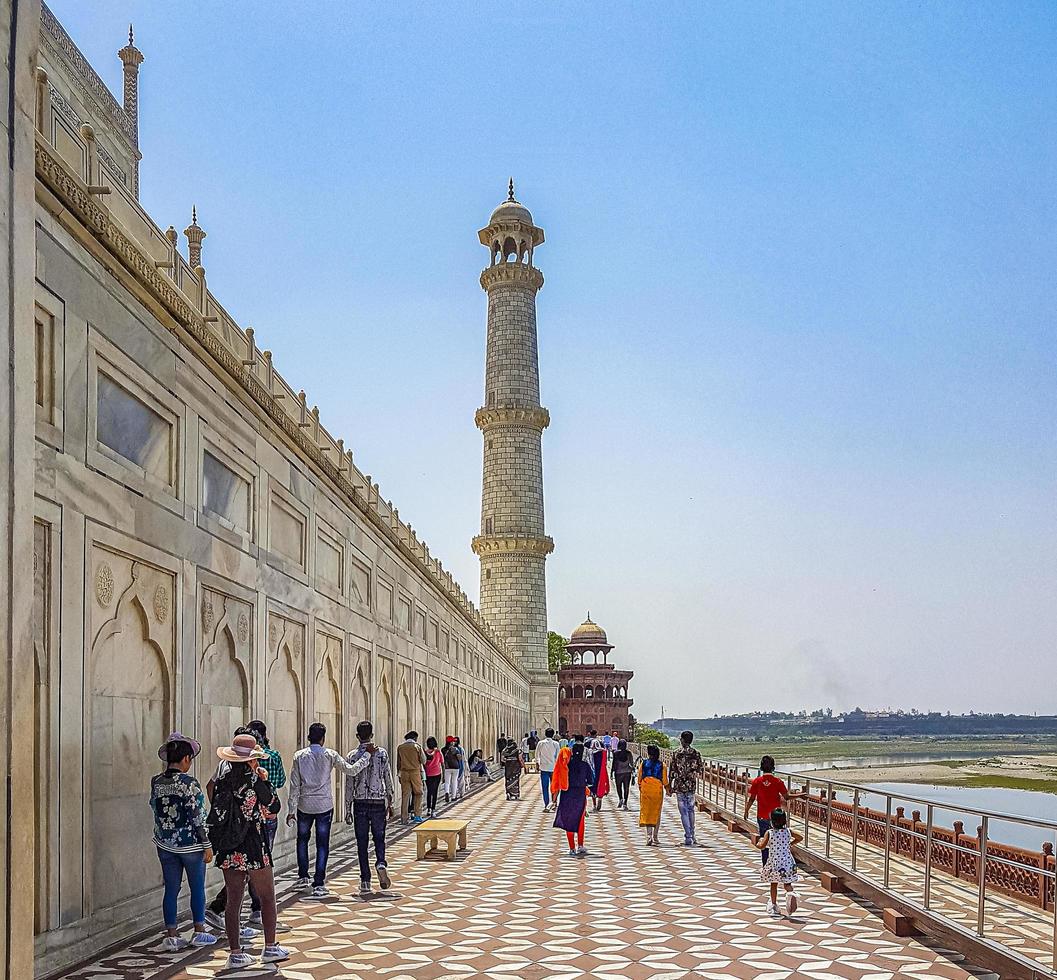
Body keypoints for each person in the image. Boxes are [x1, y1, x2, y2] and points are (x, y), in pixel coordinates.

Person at [206, 733, 289, 969]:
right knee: (267, 896)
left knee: (233, 899)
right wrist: (263, 780)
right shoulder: (254, 781)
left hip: (230, 847)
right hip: (253, 845)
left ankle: (235, 953)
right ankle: (270, 947)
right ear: (252, 760)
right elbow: (274, 805)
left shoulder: (223, 781)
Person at [287, 721, 372, 898]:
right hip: (324, 805)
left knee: (302, 840)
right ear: (323, 738)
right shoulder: (329, 755)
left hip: (305, 804)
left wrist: (291, 810)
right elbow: (351, 770)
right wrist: (366, 757)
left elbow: (294, 785)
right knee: (322, 844)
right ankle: (319, 883)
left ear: (309, 737)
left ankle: (303, 876)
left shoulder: (299, 756)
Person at [149, 733, 216, 952]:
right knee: (197, 887)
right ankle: (199, 929)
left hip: (164, 843)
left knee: (171, 888)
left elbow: (154, 807)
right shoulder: (190, 784)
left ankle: (172, 935)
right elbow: (197, 816)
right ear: (186, 758)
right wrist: (206, 843)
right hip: (191, 845)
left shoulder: (157, 781)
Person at [345, 720, 395, 894]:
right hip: (378, 801)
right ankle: (381, 862)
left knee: (362, 843)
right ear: (372, 735)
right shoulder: (381, 754)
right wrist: (391, 799)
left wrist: (347, 807)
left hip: (360, 803)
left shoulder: (352, 756)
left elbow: (349, 783)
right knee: (379, 838)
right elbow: (387, 777)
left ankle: (365, 880)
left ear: (358, 736)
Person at [243, 720, 284, 927]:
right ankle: (258, 909)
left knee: (247, 868)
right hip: (264, 819)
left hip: (242, 828)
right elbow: (278, 788)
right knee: (261, 863)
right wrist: (265, 781)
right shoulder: (273, 757)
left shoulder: (227, 776)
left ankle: (254, 908)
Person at [743, 755, 799, 865]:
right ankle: (780, 865)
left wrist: (746, 810)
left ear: (761, 767)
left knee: (765, 842)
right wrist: (801, 795)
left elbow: (752, 799)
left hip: (762, 816)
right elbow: (787, 797)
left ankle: (767, 866)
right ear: (773, 767)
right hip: (777, 817)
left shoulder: (757, 781)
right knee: (779, 841)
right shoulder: (777, 781)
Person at [756, 807, 802, 916]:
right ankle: (791, 893)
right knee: (787, 883)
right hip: (787, 861)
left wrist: (758, 842)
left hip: (775, 862)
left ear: (771, 821)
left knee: (774, 883)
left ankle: (773, 905)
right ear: (785, 821)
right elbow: (800, 837)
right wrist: (791, 844)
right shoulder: (788, 831)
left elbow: (762, 846)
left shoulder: (770, 833)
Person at [552, 742, 593, 856]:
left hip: (567, 793)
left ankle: (572, 848)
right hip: (580, 794)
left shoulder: (566, 765)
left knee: (569, 819)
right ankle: (580, 845)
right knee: (580, 819)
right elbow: (590, 781)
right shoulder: (585, 765)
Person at [667, 730, 704, 846]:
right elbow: (700, 770)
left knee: (683, 811)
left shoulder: (676, 753)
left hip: (679, 785)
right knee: (691, 810)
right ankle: (692, 834)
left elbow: (672, 770)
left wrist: (670, 785)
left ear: (682, 740)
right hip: (691, 785)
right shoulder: (696, 753)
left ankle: (688, 836)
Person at [638, 744, 669, 845]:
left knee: (647, 812)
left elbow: (639, 777)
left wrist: (641, 786)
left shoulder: (644, 763)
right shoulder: (662, 765)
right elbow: (664, 780)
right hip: (657, 791)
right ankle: (655, 837)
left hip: (646, 790)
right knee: (656, 812)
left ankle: (648, 836)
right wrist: (668, 789)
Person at [397, 731, 427, 824]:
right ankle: (417, 815)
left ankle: (404, 818)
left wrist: (399, 773)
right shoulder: (417, 747)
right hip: (415, 772)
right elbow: (423, 760)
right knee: (418, 793)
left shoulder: (400, 747)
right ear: (415, 738)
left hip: (404, 772)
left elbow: (398, 763)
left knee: (405, 795)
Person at [536, 727, 560, 811]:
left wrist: (537, 764)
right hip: (553, 768)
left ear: (545, 734)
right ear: (553, 735)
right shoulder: (556, 744)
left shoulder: (540, 743)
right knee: (554, 787)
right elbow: (557, 757)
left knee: (545, 787)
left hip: (544, 768)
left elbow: (537, 755)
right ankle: (554, 803)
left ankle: (547, 804)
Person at [611, 739, 634, 811]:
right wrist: (633, 774)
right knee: (626, 788)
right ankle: (625, 803)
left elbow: (614, 763)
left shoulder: (616, 753)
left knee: (618, 787)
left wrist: (611, 772)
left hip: (618, 772)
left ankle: (620, 799)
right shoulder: (629, 753)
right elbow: (631, 764)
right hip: (627, 772)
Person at [587, 729, 608, 811]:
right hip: (600, 767)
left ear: (589, 734)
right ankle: (600, 798)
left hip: (591, 768)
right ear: (596, 734)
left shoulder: (587, 743)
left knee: (592, 784)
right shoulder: (601, 743)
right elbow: (605, 754)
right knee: (600, 782)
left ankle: (594, 804)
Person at [424, 736, 444, 817]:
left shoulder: (425, 752)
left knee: (429, 791)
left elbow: (423, 763)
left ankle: (428, 809)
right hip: (437, 774)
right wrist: (444, 774)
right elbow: (442, 763)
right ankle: (433, 810)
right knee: (435, 792)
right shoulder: (438, 752)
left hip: (428, 774)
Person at [442, 736, 461, 802]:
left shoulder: (443, 750)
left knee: (447, 782)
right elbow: (459, 758)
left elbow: (443, 759)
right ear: (451, 742)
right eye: (453, 741)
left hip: (447, 767)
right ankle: (453, 796)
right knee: (454, 781)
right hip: (456, 767)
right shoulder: (456, 749)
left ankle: (447, 792)